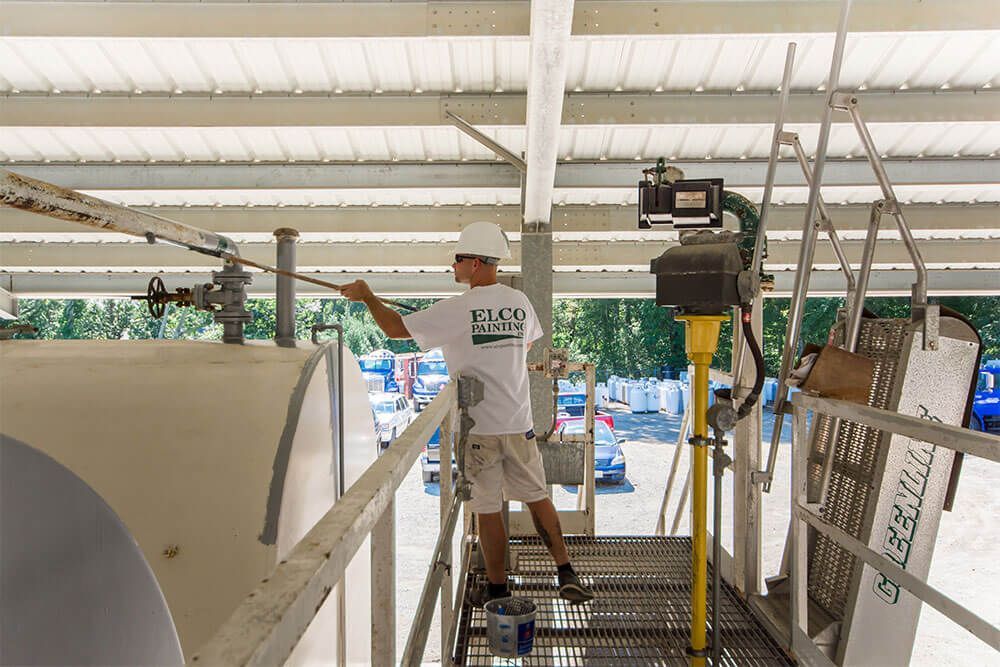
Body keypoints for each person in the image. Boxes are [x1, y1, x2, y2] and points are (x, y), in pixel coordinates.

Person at [339, 221, 594, 607]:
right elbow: (521, 348)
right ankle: (565, 571)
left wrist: (368, 296)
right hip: (518, 423)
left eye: (457, 259)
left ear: (475, 263)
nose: (453, 265)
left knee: (488, 509)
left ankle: (497, 590)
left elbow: (393, 328)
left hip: (479, 430)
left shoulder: (457, 309)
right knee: (538, 496)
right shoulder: (520, 303)